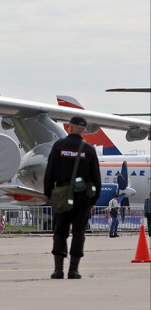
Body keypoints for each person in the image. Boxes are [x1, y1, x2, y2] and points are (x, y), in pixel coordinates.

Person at [44, 116, 101, 280]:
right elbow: (96, 179)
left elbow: (49, 173)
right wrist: (93, 200)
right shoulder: (89, 149)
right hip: (82, 198)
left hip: (61, 195)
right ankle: (73, 270)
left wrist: (49, 194)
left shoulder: (59, 146)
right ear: (84, 130)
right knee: (79, 233)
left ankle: (58, 270)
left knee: (60, 232)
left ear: (69, 127)